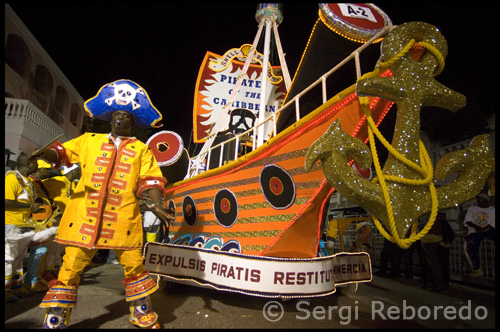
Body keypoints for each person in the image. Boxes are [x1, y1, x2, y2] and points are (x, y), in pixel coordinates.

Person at [33, 79, 174, 329]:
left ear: (133, 121)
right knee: (71, 266)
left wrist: (157, 204)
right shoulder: (88, 140)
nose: (121, 119)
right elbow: (62, 154)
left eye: (126, 116)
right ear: (110, 118)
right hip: (83, 218)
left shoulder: (142, 150)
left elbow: (151, 179)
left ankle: (141, 311)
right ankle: (55, 317)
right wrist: (45, 153)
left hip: (123, 220)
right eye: (117, 115)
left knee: (134, 265)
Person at [5, 152, 43, 302]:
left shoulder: (26, 182)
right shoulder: (11, 178)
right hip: (11, 224)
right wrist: (30, 206)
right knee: (8, 258)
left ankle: (14, 287)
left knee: (19, 258)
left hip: (23, 225)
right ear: (28, 164)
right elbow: (6, 201)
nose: (38, 166)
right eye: (36, 163)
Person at [41, 163, 81, 280]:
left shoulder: (72, 183)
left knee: (59, 246)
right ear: (71, 172)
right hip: (54, 218)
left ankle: (55, 267)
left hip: (65, 218)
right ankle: (47, 271)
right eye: (77, 171)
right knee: (52, 246)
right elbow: (51, 195)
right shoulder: (58, 180)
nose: (79, 173)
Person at [420, 212, 454, 291]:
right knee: (432, 263)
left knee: (433, 263)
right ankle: (436, 282)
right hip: (431, 240)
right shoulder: (435, 220)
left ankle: (438, 283)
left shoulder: (429, 218)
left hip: (429, 240)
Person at [464, 193, 495, 277]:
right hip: (474, 230)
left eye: (480, 199)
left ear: (485, 200)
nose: (477, 200)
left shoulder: (492, 210)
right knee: (473, 245)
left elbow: (493, 223)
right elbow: (468, 221)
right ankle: (477, 268)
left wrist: (483, 229)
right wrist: (477, 228)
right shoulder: (472, 209)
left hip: (487, 229)